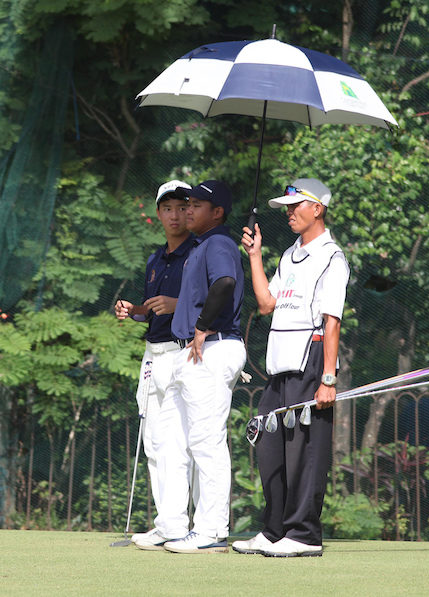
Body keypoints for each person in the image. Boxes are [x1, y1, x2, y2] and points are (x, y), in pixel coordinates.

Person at [233, 178, 350, 558]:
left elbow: (332, 322)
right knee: (271, 449)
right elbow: (266, 303)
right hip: (280, 365)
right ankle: (274, 531)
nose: (288, 212)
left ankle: (304, 535)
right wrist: (255, 255)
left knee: (305, 451)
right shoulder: (288, 254)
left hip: (311, 361)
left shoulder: (332, 257)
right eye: (286, 206)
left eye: (295, 205)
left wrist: (328, 379)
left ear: (317, 208)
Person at [142, 180, 246, 554]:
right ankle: (172, 525)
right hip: (194, 351)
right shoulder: (202, 244)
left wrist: (202, 327)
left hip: (213, 346)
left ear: (216, 213)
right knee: (171, 439)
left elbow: (226, 282)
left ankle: (211, 529)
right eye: (187, 205)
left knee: (206, 442)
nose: (187, 211)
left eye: (197, 205)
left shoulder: (217, 242)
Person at [114, 179, 195, 547]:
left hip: (184, 352)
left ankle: (179, 524)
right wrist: (134, 310)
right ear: (158, 213)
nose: (175, 215)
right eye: (168, 208)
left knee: (178, 442)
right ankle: (166, 523)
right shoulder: (154, 259)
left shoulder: (201, 252)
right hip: (153, 353)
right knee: (154, 443)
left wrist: (177, 305)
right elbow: (150, 311)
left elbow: (215, 303)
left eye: (182, 207)